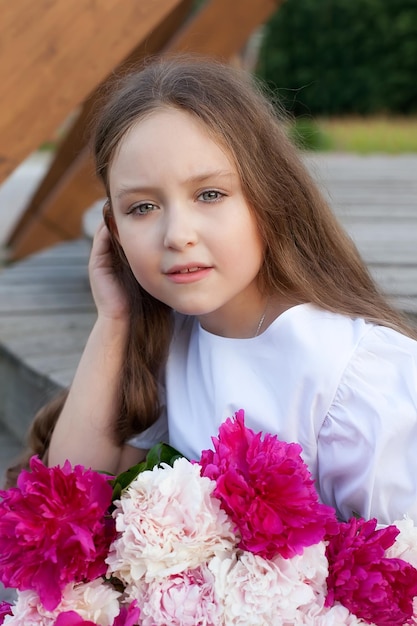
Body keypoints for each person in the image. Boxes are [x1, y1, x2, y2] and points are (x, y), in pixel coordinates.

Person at [34, 55, 417, 524]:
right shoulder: (169, 339)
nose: (177, 234)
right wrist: (113, 318)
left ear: (269, 196)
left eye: (210, 195)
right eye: (142, 207)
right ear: (112, 229)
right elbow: (70, 506)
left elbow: (399, 571)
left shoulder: (351, 375)